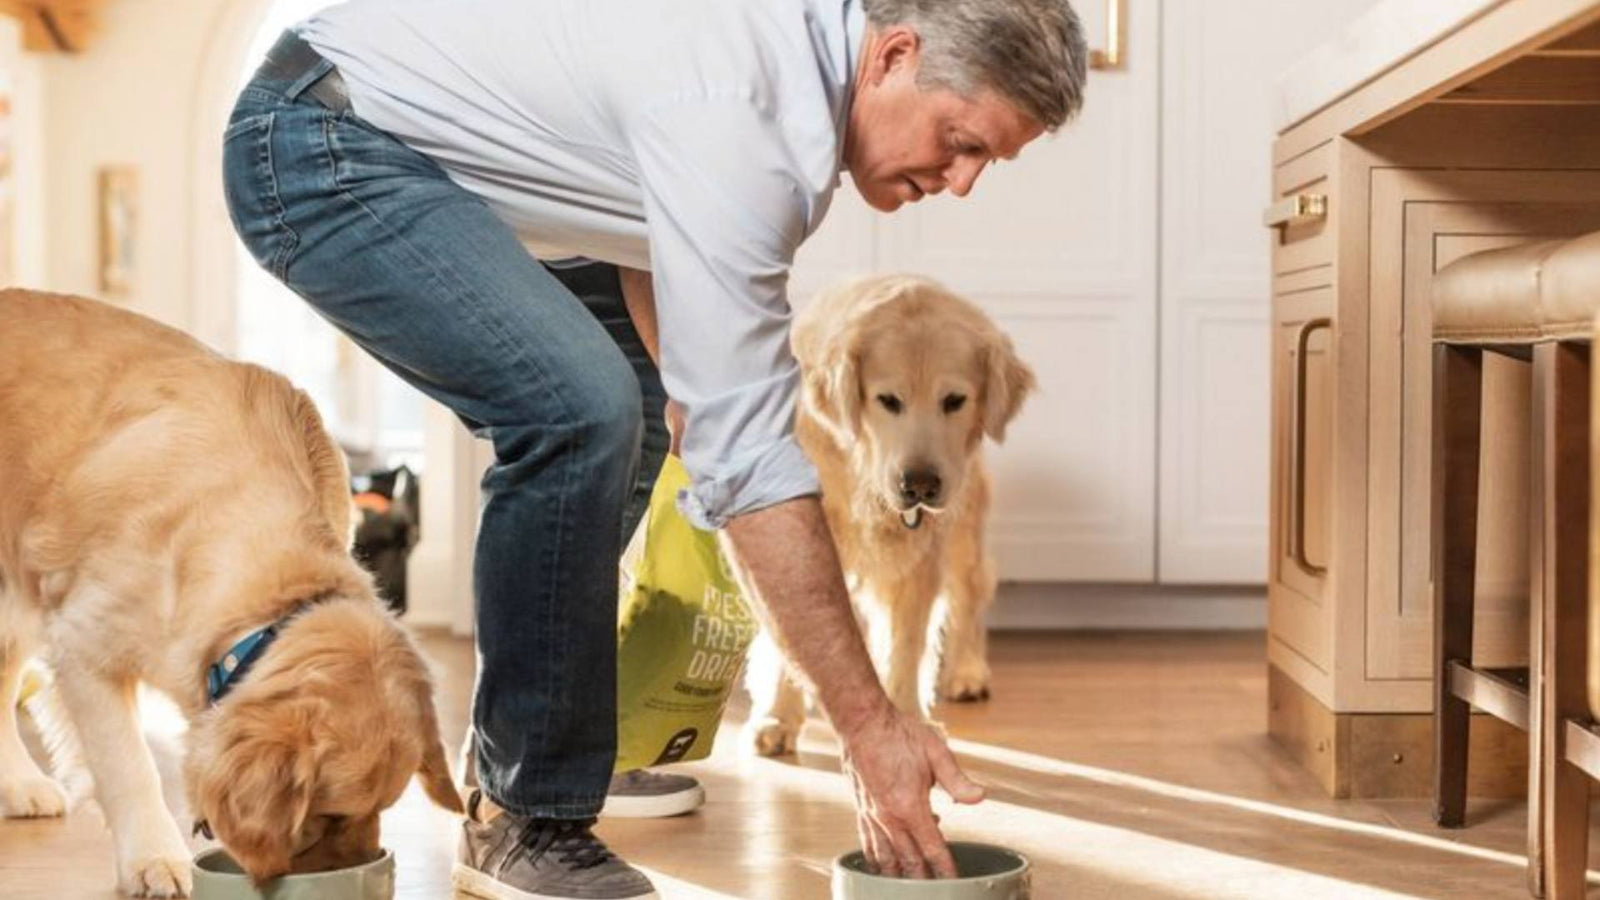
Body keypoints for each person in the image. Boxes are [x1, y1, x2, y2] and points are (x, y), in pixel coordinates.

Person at [221, 0, 1086, 897]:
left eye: (988, 160)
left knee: (627, 401)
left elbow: (634, 214)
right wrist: (870, 730)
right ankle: (528, 814)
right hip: (319, 142)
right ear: (895, 55)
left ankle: (548, 749)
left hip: (414, 153)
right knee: (579, 412)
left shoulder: (781, 90)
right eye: (963, 141)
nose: (962, 180)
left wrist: (689, 389)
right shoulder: (751, 119)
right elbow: (748, 457)